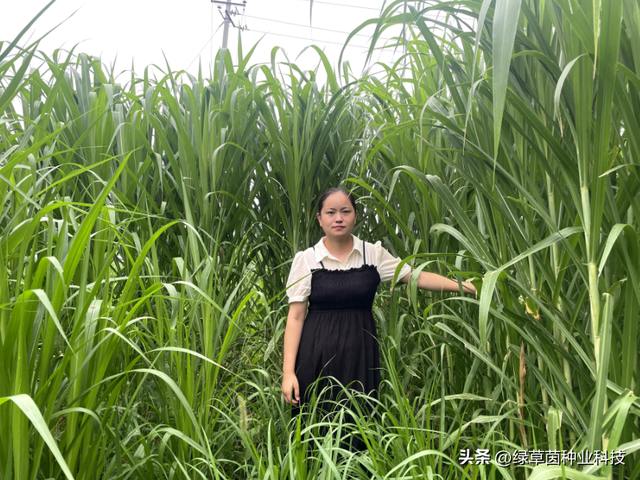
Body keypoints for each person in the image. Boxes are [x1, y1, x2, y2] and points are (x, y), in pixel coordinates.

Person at [282, 187, 477, 445]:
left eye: (345, 211)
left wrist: (461, 285)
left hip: (361, 355)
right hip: (315, 356)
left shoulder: (372, 254)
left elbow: (414, 276)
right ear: (320, 218)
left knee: (359, 426)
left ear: (355, 215)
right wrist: (288, 373)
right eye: (330, 212)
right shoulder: (306, 259)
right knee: (314, 427)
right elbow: (295, 317)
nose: (338, 218)